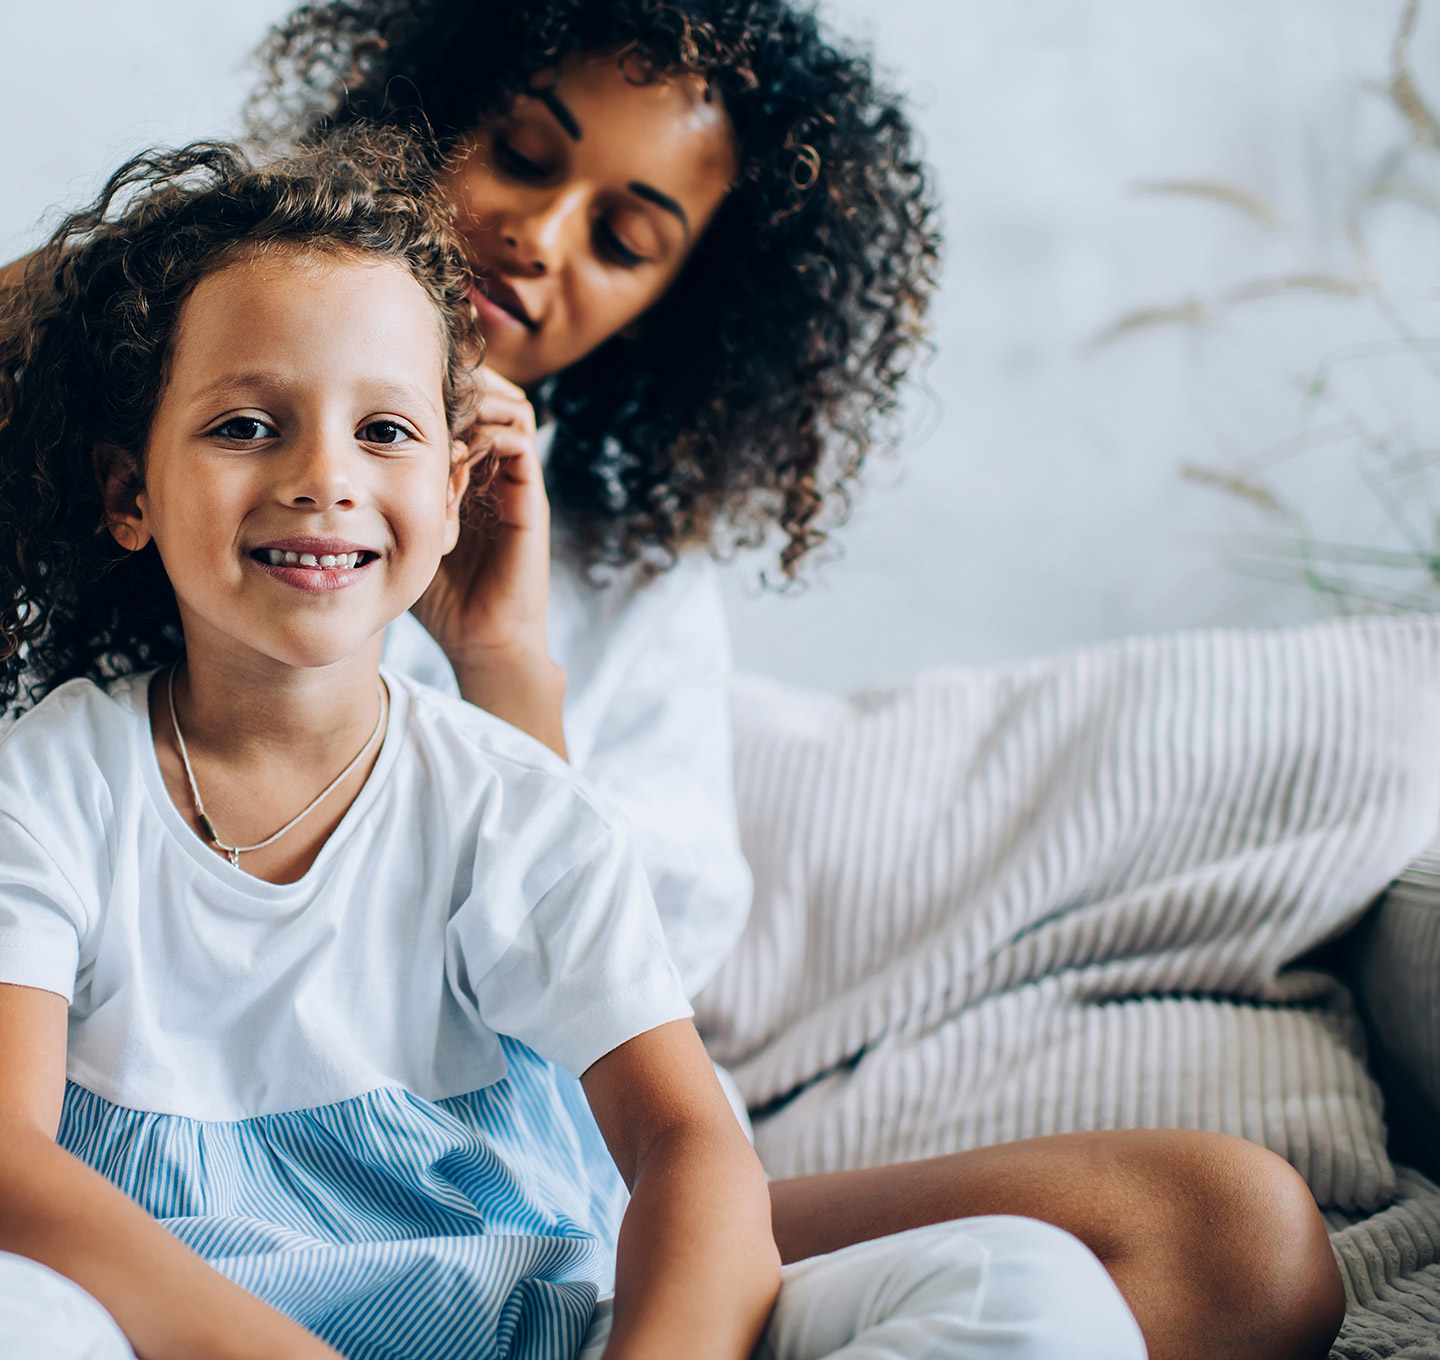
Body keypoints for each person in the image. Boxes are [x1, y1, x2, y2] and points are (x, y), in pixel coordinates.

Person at [245, 6, 1348, 1360]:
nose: (543, 238)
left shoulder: (619, 572)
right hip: (237, 1183)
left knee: (1237, 1237)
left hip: (554, 1195)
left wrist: (504, 665)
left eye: (626, 238)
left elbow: (623, 986)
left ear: (681, 308)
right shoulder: (169, 420)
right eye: (526, 156)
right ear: (421, 114)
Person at [0, 130, 1149, 1360]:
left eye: (384, 432)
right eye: (244, 425)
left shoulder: (514, 803)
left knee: (1025, 1280)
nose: (323, 477)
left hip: (531, 1331)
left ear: (455, 494)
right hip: (185, 1339)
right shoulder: (51, 785)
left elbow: (687, 1140)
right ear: (130, 494)